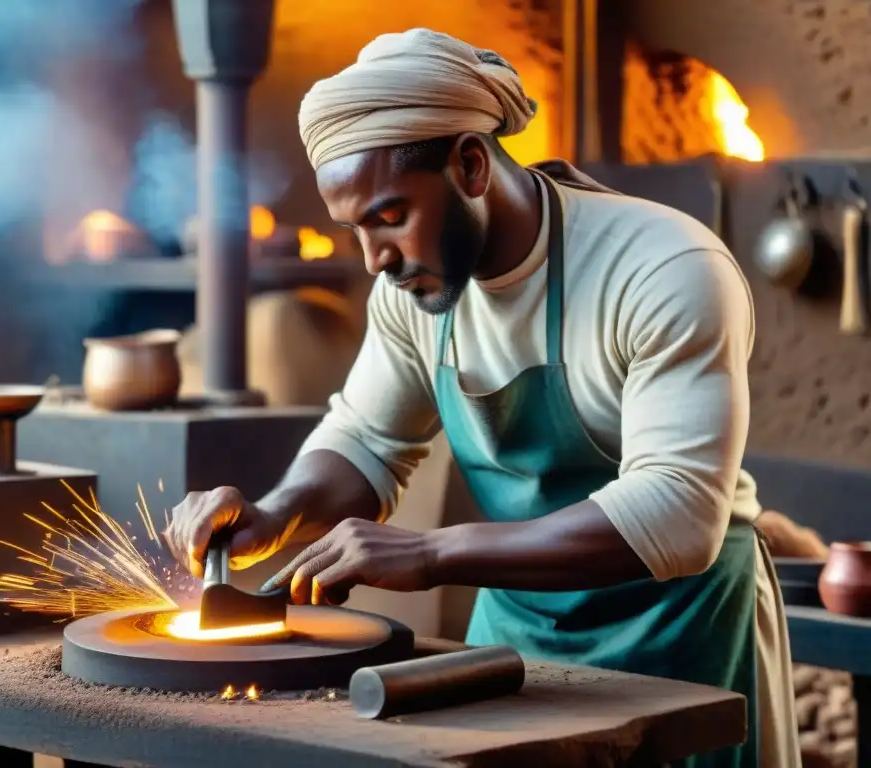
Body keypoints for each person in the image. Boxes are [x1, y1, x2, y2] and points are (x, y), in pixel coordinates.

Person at [165, 29, 799, 767]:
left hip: (685, 635)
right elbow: (367, 442)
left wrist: (436, 552)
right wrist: (275, 515)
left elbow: (677, 518)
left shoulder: (664, 267)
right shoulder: (408, 292)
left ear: (470, 164)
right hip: (517, 637)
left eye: (390, 216)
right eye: (355, 229)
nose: (375, 259)